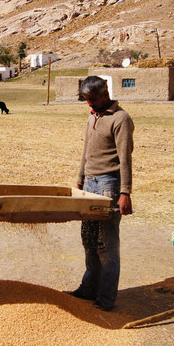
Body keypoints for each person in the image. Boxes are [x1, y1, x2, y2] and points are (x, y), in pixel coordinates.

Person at [67, 76, 134, 311]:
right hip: (90, 185)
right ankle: (88, 289)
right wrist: (79, 182)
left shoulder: (121, 119)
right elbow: (85, 151)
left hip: (108, 186)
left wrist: (125, 193)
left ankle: (106, 298)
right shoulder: (92, 116)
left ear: (105, 94)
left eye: (93, 99)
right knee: (88, 240)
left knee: (106, 245)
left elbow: (125, 158)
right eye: (86, 100)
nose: (90, 105)